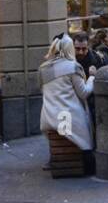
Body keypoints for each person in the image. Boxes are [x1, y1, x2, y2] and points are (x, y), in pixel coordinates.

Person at [39, 35, 95, 174]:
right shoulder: (73, 67)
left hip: (48, 118)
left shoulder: (43, 68)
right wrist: (92, 77)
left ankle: (56, 160)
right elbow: (84, 93)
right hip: (69, 118)